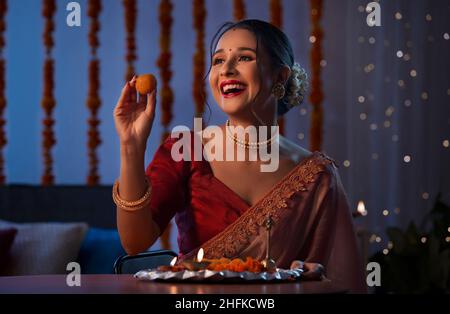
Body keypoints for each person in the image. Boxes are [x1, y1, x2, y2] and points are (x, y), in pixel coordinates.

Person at [113, 19, 366, 292]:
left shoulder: (316, 175)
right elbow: (134, 242)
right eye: (218, 60)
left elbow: (344, 282)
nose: (226, 70)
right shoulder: (186, 150)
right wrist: (131, 146)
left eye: (244, 57)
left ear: (280, 77)